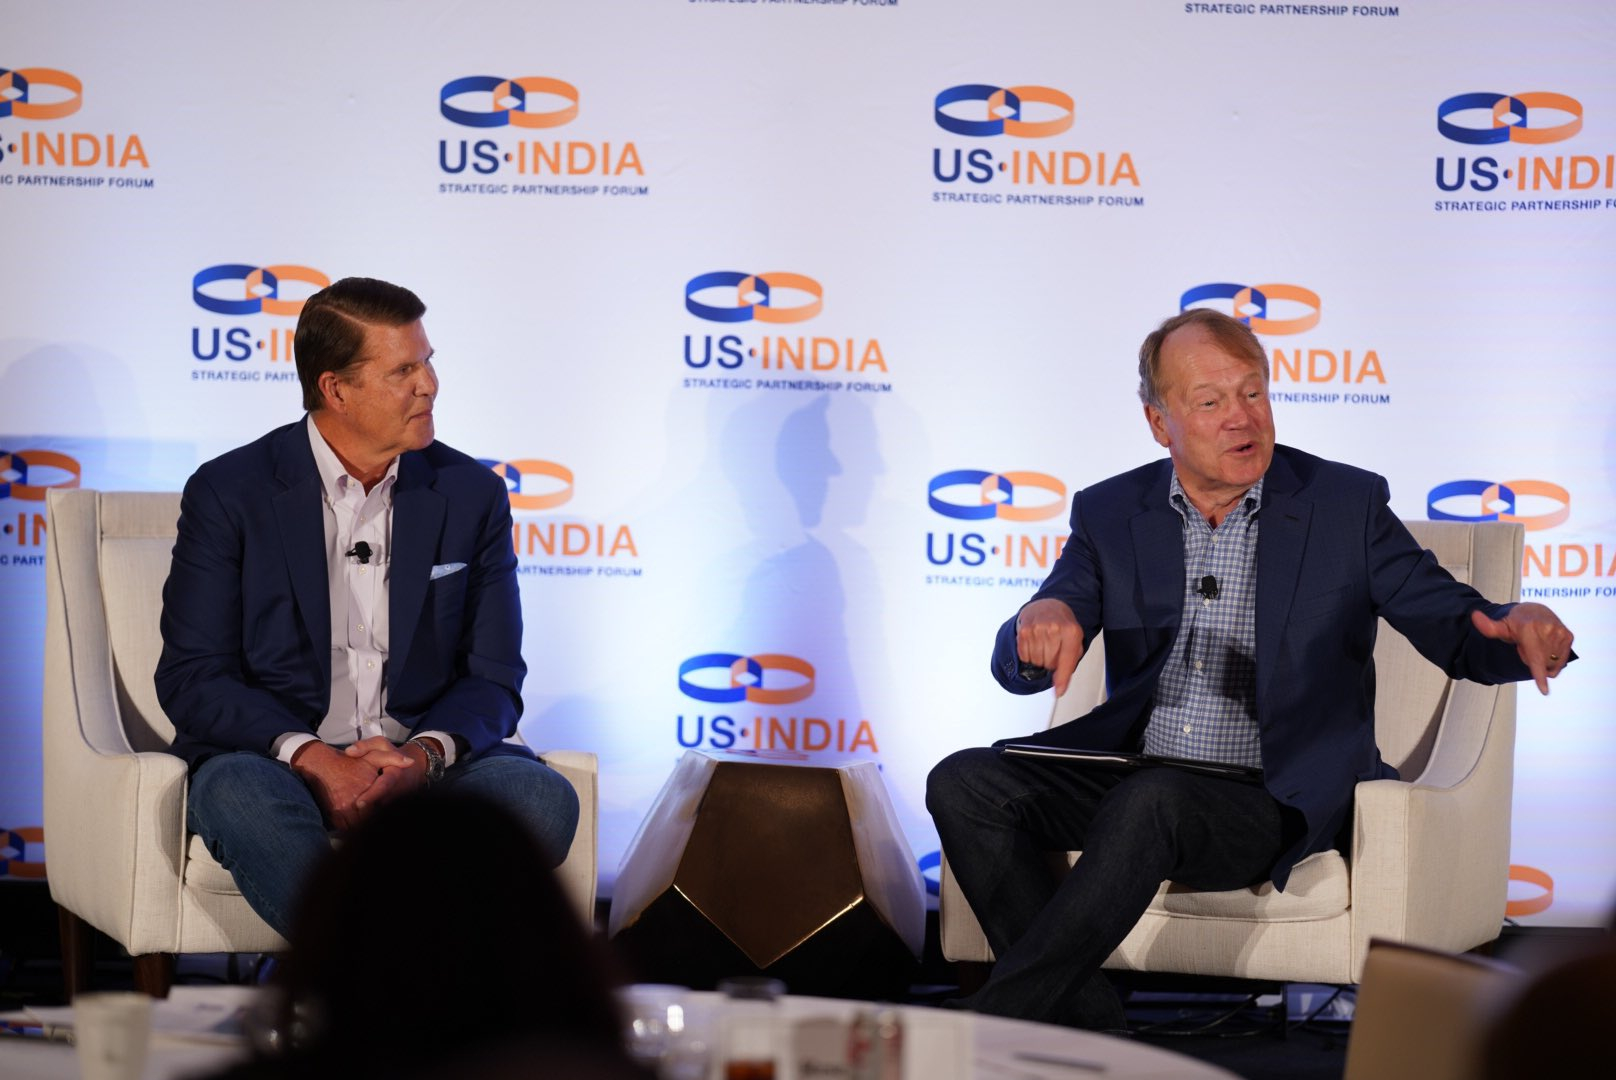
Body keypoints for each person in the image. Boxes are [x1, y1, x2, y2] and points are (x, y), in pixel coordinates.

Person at [926, 307, 1576, 1030]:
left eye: (1253, 392)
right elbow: (1046, 625)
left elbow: (1456, 627)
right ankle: (1084, 1022)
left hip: (1271, 796)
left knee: (1153, 800)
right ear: (1160, 423)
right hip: (1136, 774)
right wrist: (1034, 627)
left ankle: (991, 1022)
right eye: (1210, 402)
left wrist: (1515, 634)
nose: (1242, 418)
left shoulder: (1343, 505)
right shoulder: (1111, 512)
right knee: (964, 781)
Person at [155, 276, 578, 939]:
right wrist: (315, 759)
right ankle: (393, 969)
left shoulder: (471, 494)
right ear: (336, 389)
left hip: (425, 764)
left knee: (538, 797)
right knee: (236, 794)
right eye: (403, 370)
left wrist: (423, 759)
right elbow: (194, 676)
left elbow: (494, 676)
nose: (429, 385)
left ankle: (373, 974)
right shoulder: (230, 492)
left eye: (428, 362)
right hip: (278, 762)